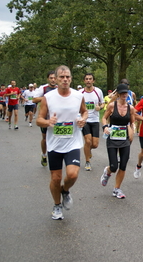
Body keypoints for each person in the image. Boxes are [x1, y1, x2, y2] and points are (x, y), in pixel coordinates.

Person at [36, 65, 88, 220]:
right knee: (55, 178)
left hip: (72, 143)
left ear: (71, 79)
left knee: (72, 175)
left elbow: (85, 111)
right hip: (55, 144)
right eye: (61, 77)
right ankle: (57, 205)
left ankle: (65, 190)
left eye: (68, 77)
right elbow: (39, 120)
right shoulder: (48, 98)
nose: (65, 80)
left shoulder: (78, 96)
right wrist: (47, 122)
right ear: (56, 79)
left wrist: (83, 119)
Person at [100, 83, 136, 198]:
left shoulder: (130, 108)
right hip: (112, 138)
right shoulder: (111, 106)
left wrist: (132, 130)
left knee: (123, 164)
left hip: (124, 138)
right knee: (114, 166)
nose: (125, 95)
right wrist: (105, 127)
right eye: (122, 93)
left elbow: (132, 122)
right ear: (119, 94)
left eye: (126, 93)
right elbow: (104, 118)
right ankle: (107, 171)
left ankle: (117, 189)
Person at [80, 73, 104, 171]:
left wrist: (100, 107)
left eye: (90, 79)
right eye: (86, 79)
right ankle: (87, 161)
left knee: (94, 144)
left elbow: (103, 103)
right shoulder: (80, 93)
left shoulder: (98, 91)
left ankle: (88, 150)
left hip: (94, 120)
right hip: (84, 120)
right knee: (88, 140)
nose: (88, 80)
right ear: (84, 81)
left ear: (93, 81)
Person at [33, 71, 57, 167]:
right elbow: (34, 99)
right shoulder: (43, 88)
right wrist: (46, 98)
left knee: (56, 137)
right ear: (48, 79)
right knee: (45, 138)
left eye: (54, 78)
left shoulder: (59, 88)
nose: (53, 80)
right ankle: (44, 155)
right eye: (51, 78)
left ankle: (54, 156)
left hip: (56, 117)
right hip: (45, 118)